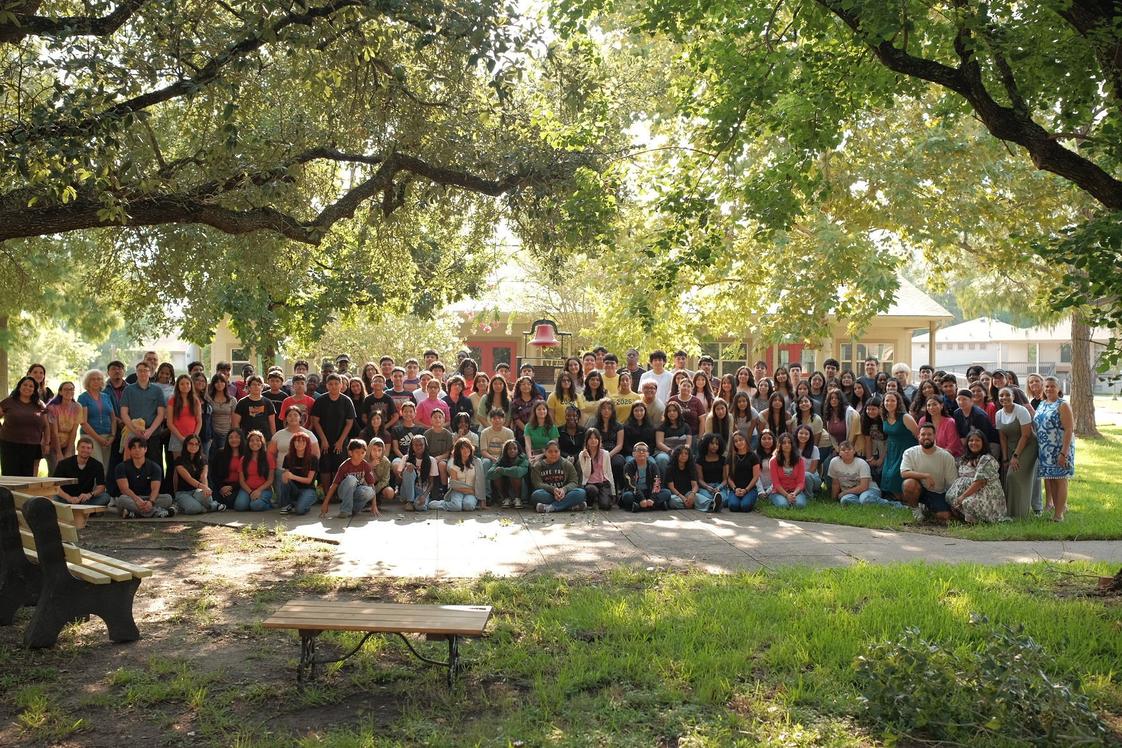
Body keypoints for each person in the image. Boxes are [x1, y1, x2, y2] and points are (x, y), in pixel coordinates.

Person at [1033, 376, 1074, 522]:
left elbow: (1069, 429)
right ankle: (1057, 508)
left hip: (1059, 448)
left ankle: (1059, 515)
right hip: (1044, 449)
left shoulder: (1062, 405)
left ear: (1059, 389)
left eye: (1052, 386)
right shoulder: (1043, 404)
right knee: (1050, 479)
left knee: (1060, 479)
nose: (1049, 389)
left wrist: (1064, 453)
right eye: (1047, 386)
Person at [995, 386, 1039, 519]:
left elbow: (1026, 435)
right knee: (1007, 476)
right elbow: (1002, 437)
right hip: (1011, 446)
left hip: (1027, 446)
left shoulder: (1021, 411)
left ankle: (1020, 514)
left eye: (1007, 395)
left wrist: (1015, 456)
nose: (1004, 398)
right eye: (1001, 396)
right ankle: (1009, 513)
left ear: (1013, 397)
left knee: (1014, 476)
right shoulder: (998, 414)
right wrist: (1005, 458)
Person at [900, 422, 958, 523]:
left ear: (935, 436)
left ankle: (927, 508)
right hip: (919, 489)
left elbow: (951, 484)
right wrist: (925, 476)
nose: (926, 437)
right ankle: (915, 508)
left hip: (938, 493)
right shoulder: (909, 452)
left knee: (945, 516)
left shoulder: (946, 456)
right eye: (923, 434)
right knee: (908, 483)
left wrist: (952, 505)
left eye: (929, 434)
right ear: (918, 436)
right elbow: (904, 473)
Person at [946, 430, 1007, 523]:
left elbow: (980, 482)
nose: (974, 443)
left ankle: (981, 522)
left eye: (977, 440)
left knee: (967, 503)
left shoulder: (987, 459)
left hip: (986, 494)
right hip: (971, 493)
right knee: (950, 497)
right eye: (971, 440)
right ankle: (966, 519)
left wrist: (962, 497)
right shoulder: (964, 459)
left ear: (983, 443)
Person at [310, 373, 356, 489]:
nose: (334, 386)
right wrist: (323, 440)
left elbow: (349, 422)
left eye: (336, 384)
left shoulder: (346, 401)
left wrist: (340, 441)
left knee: (338, 466)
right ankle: (326, 493)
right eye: (331, 384)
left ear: (341, 385)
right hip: (324, 438)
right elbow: (315, 421)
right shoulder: (321, 400)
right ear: (327, 385)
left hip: (340, 439)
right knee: (325, 466)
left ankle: (336, 492)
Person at [113, 436, 176, 518]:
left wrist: (151, 502)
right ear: (130, 450)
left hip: (148, 497)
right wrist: (137, 500)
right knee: (121, 500)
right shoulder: (121, 467)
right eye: (134, 447)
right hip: (131, 498)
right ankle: (155, 512)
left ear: (145, 449)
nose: (137, 450)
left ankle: (135, 514)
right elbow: (124, 489)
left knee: (168, 498)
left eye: (140, 447)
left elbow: (155, 489)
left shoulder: (154, 467)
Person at [319, 438, 378, 519]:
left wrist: (374, 506)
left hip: (356, 493)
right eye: (357, 452)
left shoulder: (366, 465)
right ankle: (345, 510)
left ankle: (353, 509)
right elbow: (334, 485)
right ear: (350, 452)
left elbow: (371, 484)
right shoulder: (345, 466)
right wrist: (325, 503)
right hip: (343, 491)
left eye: (363, 453)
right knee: (351, 479)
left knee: (370, 492)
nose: (360, 455)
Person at [828, 440, 898, 507]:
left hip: (869, 489)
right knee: (845, 500)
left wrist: (844, 493)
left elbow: (864, 486)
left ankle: (893, 505)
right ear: (839, 453)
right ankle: (865, 504)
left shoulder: (861, 463)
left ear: (854, 451)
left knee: (865, 499)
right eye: (843, 450)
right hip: (850, 493)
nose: (846, 451)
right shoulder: (834, 462)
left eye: (849, 449)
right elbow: (835, 484)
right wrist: (834, 500)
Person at [52, 436, 111, 506]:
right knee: (54, 498)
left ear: (92, 450)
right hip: (66, 497)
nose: (85, 450)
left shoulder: (97, 465)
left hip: (85, 498)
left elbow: (101, 487)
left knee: (106, 497)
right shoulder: (64, 463)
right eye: (83, 447)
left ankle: (75, 508)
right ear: (77, 448)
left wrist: (89, 495)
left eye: (88, 448)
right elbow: (54, 485)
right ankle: (84, 509)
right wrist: (69, 498)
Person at [172, 434, 225, 514]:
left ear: (199, 446)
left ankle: (203, 506)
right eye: (191, 443)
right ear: (186, 444)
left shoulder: (203, 459)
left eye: (196, 444)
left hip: (197, 491)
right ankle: (213, 506)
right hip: (183, 492)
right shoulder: (179, 460)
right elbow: (189, 478)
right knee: (194, 509)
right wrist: (203, 487)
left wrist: (206, 489)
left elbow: (204, 476)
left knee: (206, 498)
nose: (194, 446)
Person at [880, 391, 918, 499]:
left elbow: (918, 435)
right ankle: (897, 498)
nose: (889, 403)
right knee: (886, 474)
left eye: (893, 400)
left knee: (895, 475)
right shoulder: (884, 417)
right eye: (887, 400)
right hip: (892, 450)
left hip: (906, 449)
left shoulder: (905, 417)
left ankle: (906, 498)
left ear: (898, 403)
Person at [531, 441, 587, 513]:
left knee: (581, 493)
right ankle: (569, 506)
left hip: (565, 494)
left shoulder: (567, 464)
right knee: (536, 495)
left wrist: (564, 489)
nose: (553, 454)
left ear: (560, 452)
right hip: (548, 494)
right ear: (545, 452)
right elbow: (537, 484)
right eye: (550, 452)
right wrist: (553, 490)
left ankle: (551, 507)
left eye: (556, 451)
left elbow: (574, 482)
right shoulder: (538, 466)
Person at [428, 438, 480, 511]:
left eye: (467, 447)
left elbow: (480, 480)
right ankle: (441, 504)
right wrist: (471, 490)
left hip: (471, 492)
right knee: (456, 507)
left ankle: (462, 502)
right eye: (462, 449)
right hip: (458, 490)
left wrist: (476, 493)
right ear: (458, 451)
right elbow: (454, 485)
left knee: (468, 506)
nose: (466, 450)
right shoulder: (454, 464)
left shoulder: (476, 462)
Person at [278, 433, 320, 516]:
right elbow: (286, 477)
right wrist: (285, 477)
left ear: (307, 444)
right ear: (293, 443)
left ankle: (301, 503)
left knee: (299, 510)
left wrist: (293, 476)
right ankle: (286, 505)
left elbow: (309, 481)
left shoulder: (313, 458)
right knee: (283, 477)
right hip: (294, 488)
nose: (300, 443)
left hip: (308, 489)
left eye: (303, 441)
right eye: (297, 441)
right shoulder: (288, 457)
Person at [620, 442, 670, 512]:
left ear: (648, 454)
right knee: (627, 496)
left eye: (644, 450)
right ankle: (655, 506)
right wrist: (642, 499)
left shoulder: (653, 466)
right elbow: (631, 484)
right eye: (638, 450)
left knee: (667, 493)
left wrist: (652, 499)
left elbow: (657, 483)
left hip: (649, 491)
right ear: (633, 454)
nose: (641, 452)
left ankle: (638, 506)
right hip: (635, 492)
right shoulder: (628, 466)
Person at [45, 380, 82, 474]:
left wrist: (69, 451)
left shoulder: (77, 407)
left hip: (68, 442)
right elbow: (54, 432)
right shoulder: (52, 407)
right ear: (60, 392)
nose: (69, 391)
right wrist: (59, 453)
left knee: (69, 472)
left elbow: (74, 431)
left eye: (71, 389)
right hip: (53, 444)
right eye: (66, 389)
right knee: (55, 471)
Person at [234, 430, 275, 511]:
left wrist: (258, 491)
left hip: (264, 489)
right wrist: (250, 493)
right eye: (251, 441)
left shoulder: (268, 457)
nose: (254, 443)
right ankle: (252, 501)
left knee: (255, 506)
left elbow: (270, 480)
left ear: (262, 442)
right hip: (247, 489)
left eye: (257, 440)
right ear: (248, 443)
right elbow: (241, 481)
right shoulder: (243, 459)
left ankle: (268, 504)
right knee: (239, 506)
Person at [166, 374, 202, 463]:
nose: (185, 386)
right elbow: (169, 423)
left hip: (193, 439)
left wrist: (194, 437)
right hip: (177, 438)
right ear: (178, 386)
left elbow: (199, 421)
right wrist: (182, 438)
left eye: (187, 383)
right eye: (182, 384)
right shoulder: (172, 401)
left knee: (192, 465)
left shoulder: (196, 401)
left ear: (191, 385)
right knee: (178, 467)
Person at [578, 428, 615, 510]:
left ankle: (600, 498)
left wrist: (613, 492)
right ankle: (591, 502)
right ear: (586, 440)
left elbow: (609, 472)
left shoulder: (605, 454)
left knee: (605, 506)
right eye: (590, 438)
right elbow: (586, 474)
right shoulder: (582, 455)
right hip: (590, 484)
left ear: (599, 440)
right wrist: (588, 458)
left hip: (603, 483)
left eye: (595, 438)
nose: (593, 440)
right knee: (592, 490)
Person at [723, 431, 760, 512]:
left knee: (745, 506)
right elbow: (729, 477)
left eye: (741, 439)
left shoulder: (753, 456)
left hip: (750, 489)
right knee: (733, 506)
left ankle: (748, 499)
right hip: (735, 489)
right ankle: (728, 500)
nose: (738, 442)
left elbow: (756, 477)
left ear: (746, 440)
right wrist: (735, 489)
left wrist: (746, 490)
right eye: (736, 441)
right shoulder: (730, 457)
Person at [769, 432, 808, 508]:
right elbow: (776, 483)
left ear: (792, 444)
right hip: (779, 492)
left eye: (789, 442)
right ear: (779, 445)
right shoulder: (773, 461)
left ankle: (792, 499)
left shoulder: (800, 460)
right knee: (783, 505)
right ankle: (775, 498)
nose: (787, 445)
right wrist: (786, 495)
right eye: (784, 443)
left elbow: (801, 482)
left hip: (795, 491)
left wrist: (794, 494)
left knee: (800, 505)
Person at [398, 434, 434, 511]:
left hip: (421, 491)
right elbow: (400, 478)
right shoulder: (405, 458)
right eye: (416, 445)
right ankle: (410, 501)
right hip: (407, 491)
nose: (418, 447)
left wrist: (424, 496)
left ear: (425, 445)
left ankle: (418, 501)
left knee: (420, 507)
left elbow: (431, 483)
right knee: (408, 470)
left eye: (421, 445)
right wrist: (406, 467)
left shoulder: (431, 460)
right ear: (412, 446)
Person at [489, 439, 528, 509]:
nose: (512, 450)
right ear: (506, 451)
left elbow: (519, 472)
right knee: (497, 475)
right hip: (506, 487)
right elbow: (490, 473)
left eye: (515, 448)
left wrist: (503, 470)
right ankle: (506, 498)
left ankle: (518, 499)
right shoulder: (502, 459)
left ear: (518, 450)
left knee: (514, 473)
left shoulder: (523, 459)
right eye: (509, 449)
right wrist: (498, 471)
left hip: (521, 489)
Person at [211, 429, 245, 508]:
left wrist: (232, 487)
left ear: (241, 439)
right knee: (214, 500)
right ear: (227, 440)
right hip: (222, 485)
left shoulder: (246, 454)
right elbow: (213, 474)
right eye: (231, 437)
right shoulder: (220, 453)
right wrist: (221, 487)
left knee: (231, 501)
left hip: (238, 486)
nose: (234, 440)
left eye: (237, 437)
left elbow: (248, 477)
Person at [664, 444, 699, 510]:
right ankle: (692, 505)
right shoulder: (670, 468)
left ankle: (711, 504)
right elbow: (671, 487)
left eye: (686, 453)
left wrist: (692, 494)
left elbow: (695, 485)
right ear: (676, 455)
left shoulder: (691, 467)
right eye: (681, 453)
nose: (684, 455)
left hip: (688, 493)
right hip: (676, 495)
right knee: (672, 501)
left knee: (697, 496)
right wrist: (683, 498)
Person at [794, 424, 822, 495]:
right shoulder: (792, 449)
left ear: (810, 436)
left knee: (806, 475)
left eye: (806, 434)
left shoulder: (814, 449)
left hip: (812, 479)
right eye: (801, 433)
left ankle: (809, 496)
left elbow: (812, 469)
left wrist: (800, 479)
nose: (803, 436)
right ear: (797, 434)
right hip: (795, 478)